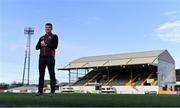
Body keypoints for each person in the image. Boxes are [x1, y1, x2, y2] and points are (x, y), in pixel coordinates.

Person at [35, 23, 58, 96]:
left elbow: (55, 46)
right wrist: (40, 44)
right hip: (41, 58)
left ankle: (52, 92)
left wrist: (46, 45)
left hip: (50, 57)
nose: (47, 28)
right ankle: (40, 92)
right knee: (41, 75)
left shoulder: (54, 36)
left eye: (49, 27)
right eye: (46, 27)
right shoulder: (41, 37)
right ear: (44, 28)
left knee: (52, 74)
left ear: (51, 28)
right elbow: (36, 47)